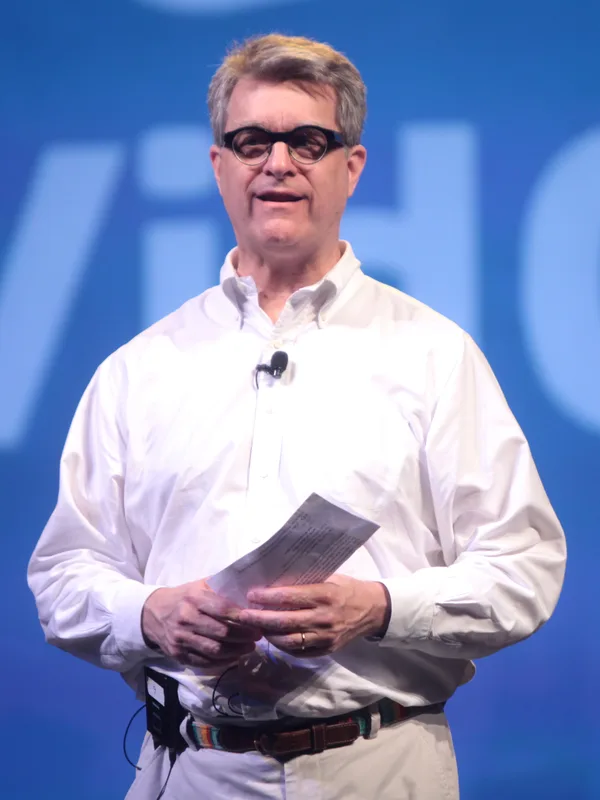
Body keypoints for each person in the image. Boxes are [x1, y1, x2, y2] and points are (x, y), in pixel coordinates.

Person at [28, 33, 566, 800]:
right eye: (252, 141)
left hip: (377, 769)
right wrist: (150, 614)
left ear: (352, 166)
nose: (277, 162)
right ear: (219, 166)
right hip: (193, 769)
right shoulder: (138, 369)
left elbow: (524, 569)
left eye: (308, 141)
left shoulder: (433, 354)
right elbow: (62, 577)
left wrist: (379, 608)